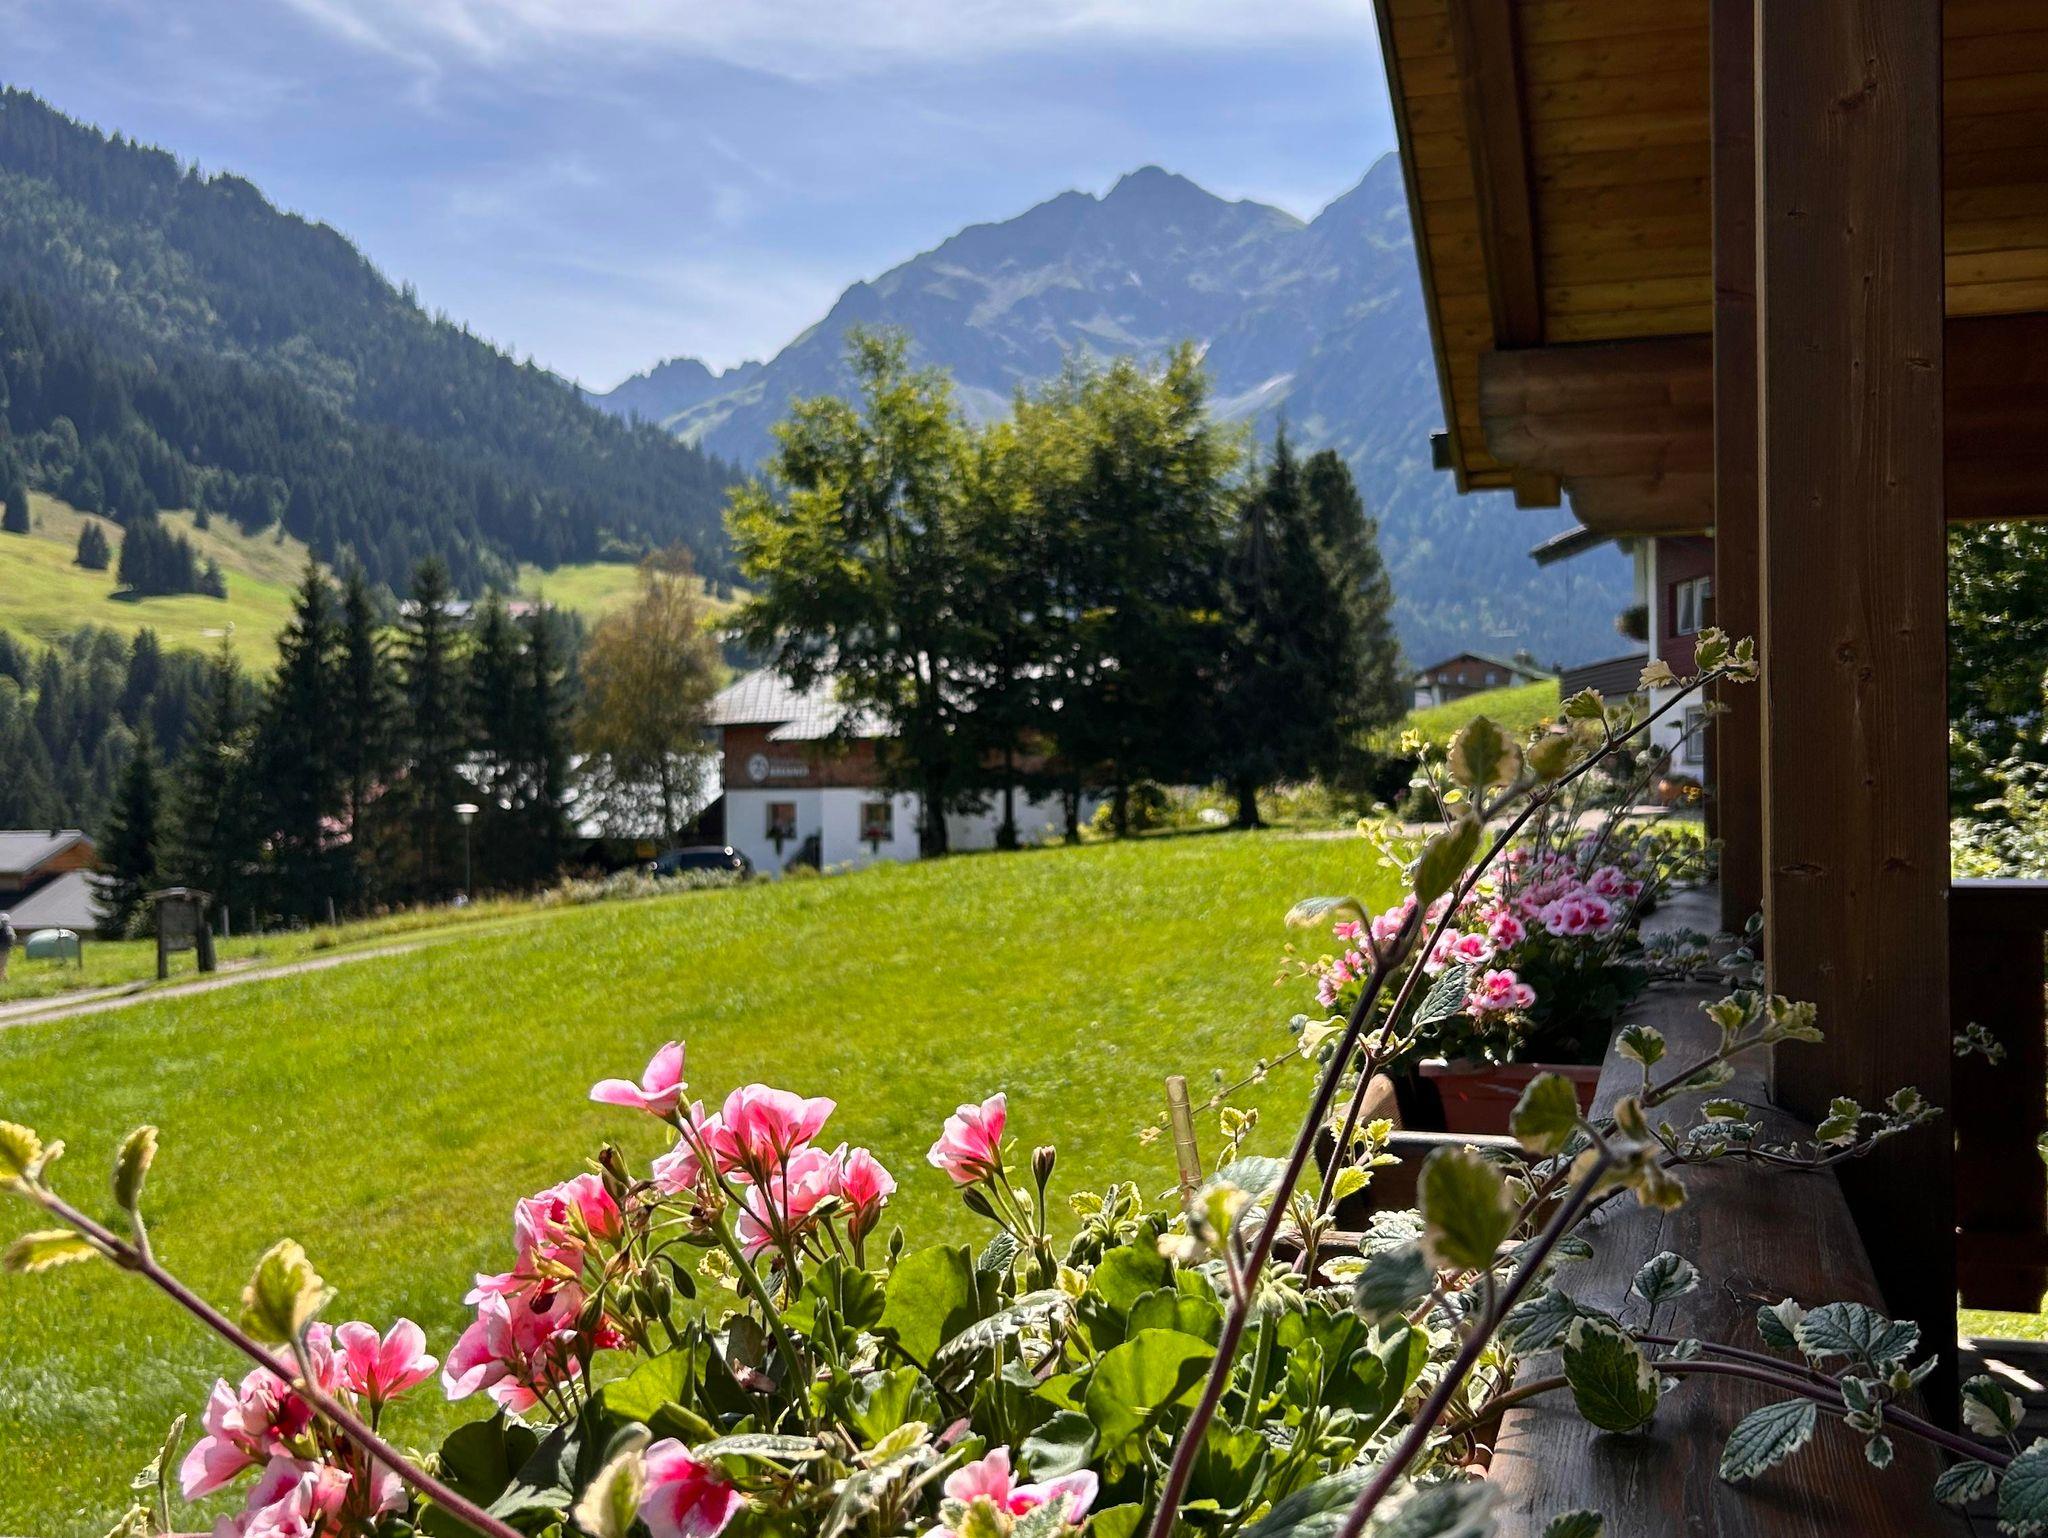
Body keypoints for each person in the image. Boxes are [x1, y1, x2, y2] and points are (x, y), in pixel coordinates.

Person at [0, 911, 14, 983]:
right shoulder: (9, 929)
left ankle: (3, 980)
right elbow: (12, 939)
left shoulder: (7, 929)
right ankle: (5, 980)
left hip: (3, 950)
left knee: (1, 966)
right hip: (5, 949)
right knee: (2, 966)